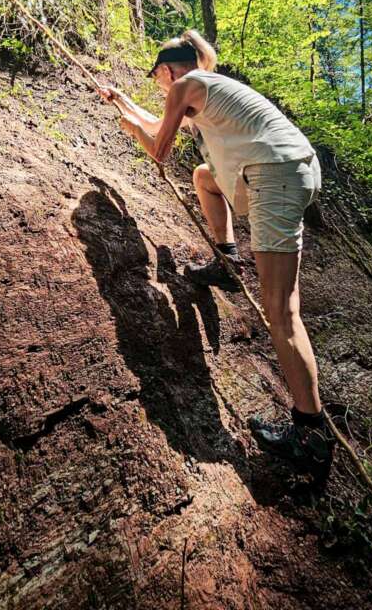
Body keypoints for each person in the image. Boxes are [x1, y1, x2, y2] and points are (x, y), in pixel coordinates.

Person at [98, 29, 335, 480]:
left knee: (282, 313)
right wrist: (123, 102)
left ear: (168, 72)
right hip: (288, 170)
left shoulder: (189, 87)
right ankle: (226, 260)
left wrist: (131, 125)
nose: (163, 90)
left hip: (274, 176)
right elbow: (158, 123)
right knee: (205, 175)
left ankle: (311, 434)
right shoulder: (209, 88)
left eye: (158, 82)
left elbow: (158, 148)